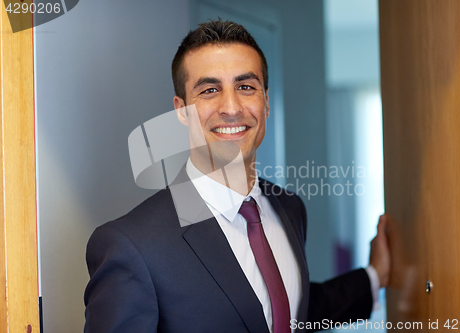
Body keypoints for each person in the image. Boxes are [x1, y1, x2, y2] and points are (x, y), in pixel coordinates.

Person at [84, 19, 390, 333]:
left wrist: (375, 275)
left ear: (266, 101)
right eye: (209, 90)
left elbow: (286, 309)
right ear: (181, 111)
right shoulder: (132, 245)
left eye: (246, 87)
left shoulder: (290, 208)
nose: (231, 107)